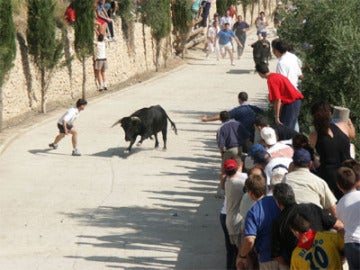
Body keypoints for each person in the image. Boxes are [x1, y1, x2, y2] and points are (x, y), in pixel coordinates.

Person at [271, 183, 343, 269]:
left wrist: (291, 265)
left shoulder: (278, 223)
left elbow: (276, 254)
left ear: (278, 203)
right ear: (293, 195)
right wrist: (339, 257)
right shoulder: (312, 208)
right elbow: (339, 225)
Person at [309, 101, 356, 199]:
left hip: (329, 176)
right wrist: (349, 122)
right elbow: (352, 135)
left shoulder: (314, 136)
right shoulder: (343, 126)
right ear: (330, 114)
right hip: (349, 171)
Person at [237, 173, 280, 269]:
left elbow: (249, 240)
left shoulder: (253, 212)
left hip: (267, 257)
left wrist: (242, 255)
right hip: (284, 256)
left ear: (251, 193)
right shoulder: (278, 202)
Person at [283, 148, 337, 217]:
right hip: (315, 222)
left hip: (291, 222)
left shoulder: (286, 179)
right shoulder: (319, 182)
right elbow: (333, 209)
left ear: (293, 164)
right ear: (310, 164)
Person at [255, 62, 304, 130]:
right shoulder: (276, 75)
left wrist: (277, 117)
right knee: (290, 127)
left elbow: (278, 99)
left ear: (260, 73)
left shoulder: (271, 80)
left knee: (286, 129)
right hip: (294, 102)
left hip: (291, 103)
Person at [223, 159, 247, 268]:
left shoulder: (228, 181)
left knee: (231, 251)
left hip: (229, 219)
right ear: (236, 169)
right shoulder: (238, 183)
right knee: (240, 253)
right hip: (236, 221)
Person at [336, 167, 360, 270]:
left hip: (350, 243)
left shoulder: (340, 203)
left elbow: (342, 223)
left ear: (339, 186)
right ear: (356, 182)